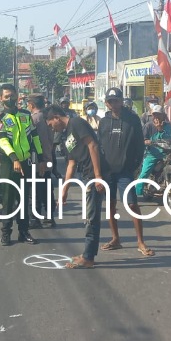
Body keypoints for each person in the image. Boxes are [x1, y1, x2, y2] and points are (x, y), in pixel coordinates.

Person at [45, 104, 108, 269]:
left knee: (91, 217)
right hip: (86, 175)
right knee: (89, 217)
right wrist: (64, 190)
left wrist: (98, 176)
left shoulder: (77, 123)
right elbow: (71, 164)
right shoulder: (66, 137)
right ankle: (87, 253)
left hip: (94, 175)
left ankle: (88, 257)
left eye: (51, 124)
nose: (52, 128)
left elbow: (92, 145)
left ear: (57, 117)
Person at [97, 87, 155, 256]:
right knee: (111, 205)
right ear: (107, 103)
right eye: (110, 101)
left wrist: (136, 165)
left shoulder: (133, 119)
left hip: (125, 171)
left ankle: (140, 242)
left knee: (131, 204)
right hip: (107, 171)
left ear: (122, 101)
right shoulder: (104, 121)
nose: (114, 104)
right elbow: (100, 145)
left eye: (116, 100)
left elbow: (139, 144)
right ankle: (115, 239)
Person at [0, 83, 44, 246]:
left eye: (12, 95)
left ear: (17, 96)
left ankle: (24, 232)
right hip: (9, 163)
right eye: (6, 96)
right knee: (8, 199)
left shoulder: (25, 115)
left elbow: (34, 137)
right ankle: (6, 233)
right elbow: (2, 141)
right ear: (1, 99)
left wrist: (41, 159)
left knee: (23, 198)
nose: (10, 98)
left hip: (26, 162)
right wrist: (14, 159)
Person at [27, 94, 55, 227]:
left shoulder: (33, 119)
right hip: (49, 157)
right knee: (47, 189)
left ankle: (36, 218)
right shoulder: (47, 118)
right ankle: (49, 217)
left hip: (37, 160)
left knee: (36, 190)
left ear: (32, 105)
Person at [135, 106, 171, 199]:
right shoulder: (148, 126)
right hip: (152, 154)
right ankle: (135, 195)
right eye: (155, 115)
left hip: (166, 154)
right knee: (144, 174)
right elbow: (142, 140)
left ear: (163, 116)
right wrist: (146, 141)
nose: (157, 117)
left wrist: (160, 129)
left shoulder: (167, 125)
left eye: (159, 115)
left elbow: (169, 138)